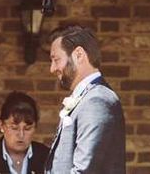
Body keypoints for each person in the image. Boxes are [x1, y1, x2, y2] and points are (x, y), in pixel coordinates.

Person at [45, 25, 126, 174]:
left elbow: (85, 170)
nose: (52, 68)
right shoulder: (89, 98)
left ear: (79, 55)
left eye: (56, 59)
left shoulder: (97, 101)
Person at [0, 91, 49, 174]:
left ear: (35, 127)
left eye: (27, 129)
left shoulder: (47, 157)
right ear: (1, 125)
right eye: (14, 128)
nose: (21, 135)